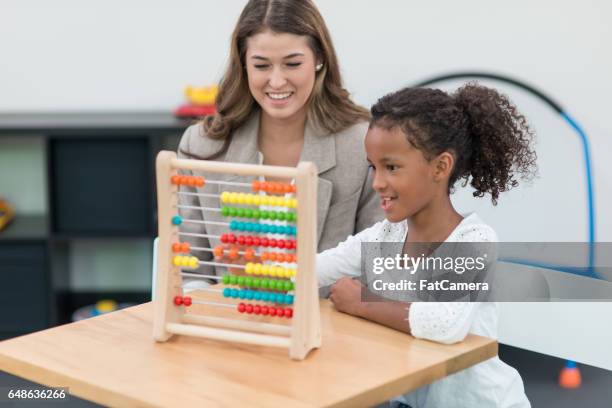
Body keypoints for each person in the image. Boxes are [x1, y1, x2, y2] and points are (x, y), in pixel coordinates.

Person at [317, 84, 537, 407]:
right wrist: (253, 269)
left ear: (440, 167)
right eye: (373, 167)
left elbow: (445, 323)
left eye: (391, 167)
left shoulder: (473, 241)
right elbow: (314, 269)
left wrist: (359, 303)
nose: (377, 182)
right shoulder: (384, 237)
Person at [177, 0, 382, 280]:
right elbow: (190, 271)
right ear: (244, 64)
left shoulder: (362, 144)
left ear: (319, 58)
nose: (276, 81)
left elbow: (381, 267)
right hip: (231, 319)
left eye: (292, 64)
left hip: (333, 320)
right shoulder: (201, 147)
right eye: (261, 65)